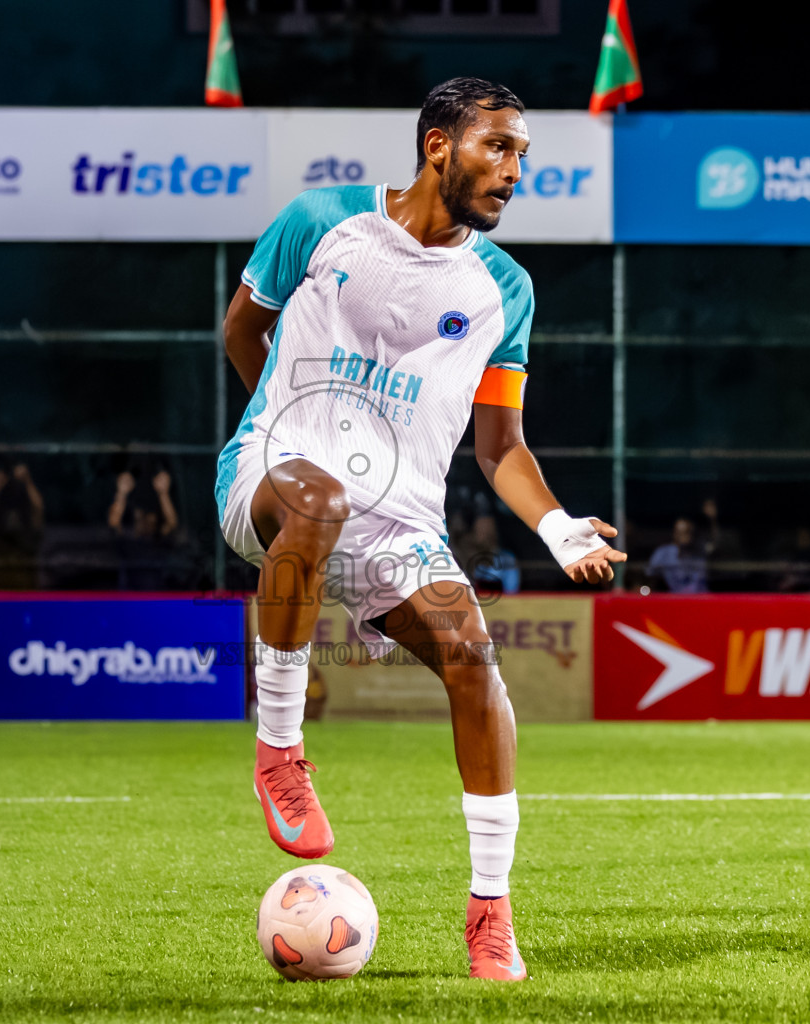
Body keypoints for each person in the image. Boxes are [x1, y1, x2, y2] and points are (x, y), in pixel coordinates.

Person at [215, 78, 625, 981]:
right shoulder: (320, 220)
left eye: (524, 154)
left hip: (398, 522)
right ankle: (280, 751)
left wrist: (555, 526)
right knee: (317, 503)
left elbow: (500, 445)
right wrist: (289, 429)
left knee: (477, 667)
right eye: (499, 147)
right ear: (439, 144)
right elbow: (244, 330)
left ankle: (490, 912)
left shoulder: (503, 289)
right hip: (273, 482)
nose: (515, 170)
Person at [0, 464, 46, 589]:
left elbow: (38, 508)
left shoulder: (29, 539)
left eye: (16, 517)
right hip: (0, 590)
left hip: (26, 590)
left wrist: (27, 481)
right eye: (9, 517)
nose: (13, 520)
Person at [646, 517, 710, 594]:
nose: (684, 536)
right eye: (680, 532)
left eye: (687, 532)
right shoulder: (662, 553)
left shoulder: (699, 554)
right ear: (674, 533)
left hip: (697, 599)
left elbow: (700, 583)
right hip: (670, 599)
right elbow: (649, 576)